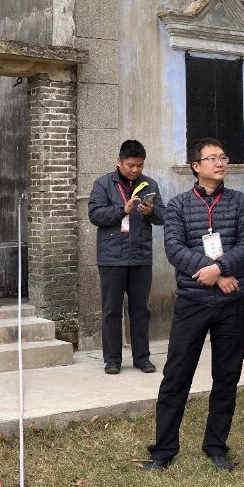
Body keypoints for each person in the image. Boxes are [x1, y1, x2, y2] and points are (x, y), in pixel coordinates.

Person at [144, 138, 244, 473]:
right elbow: (175, 250)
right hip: (193, 302)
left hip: (232, 304)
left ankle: (216, 446)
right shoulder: (178, 206)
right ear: (195, 166)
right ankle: (164, 450)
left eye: (223, 157)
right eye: (211, 158)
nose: (220, 163)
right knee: (176, 376)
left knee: (226, 377)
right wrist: (215, 275)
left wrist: (219, 269)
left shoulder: (241, 203)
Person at [86, 139, 165, 374]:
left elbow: (163, 216)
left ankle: (142, 358)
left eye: (140, 165)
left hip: (140, 256)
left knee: (140, 310)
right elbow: (95, 214)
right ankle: (112, 360)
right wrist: (123, 210)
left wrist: (151, 211)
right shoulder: (103, 184)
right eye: (131, 165)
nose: (135, 170)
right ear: (119, 162)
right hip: (112, 258)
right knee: (111, 310)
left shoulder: (150, 184)